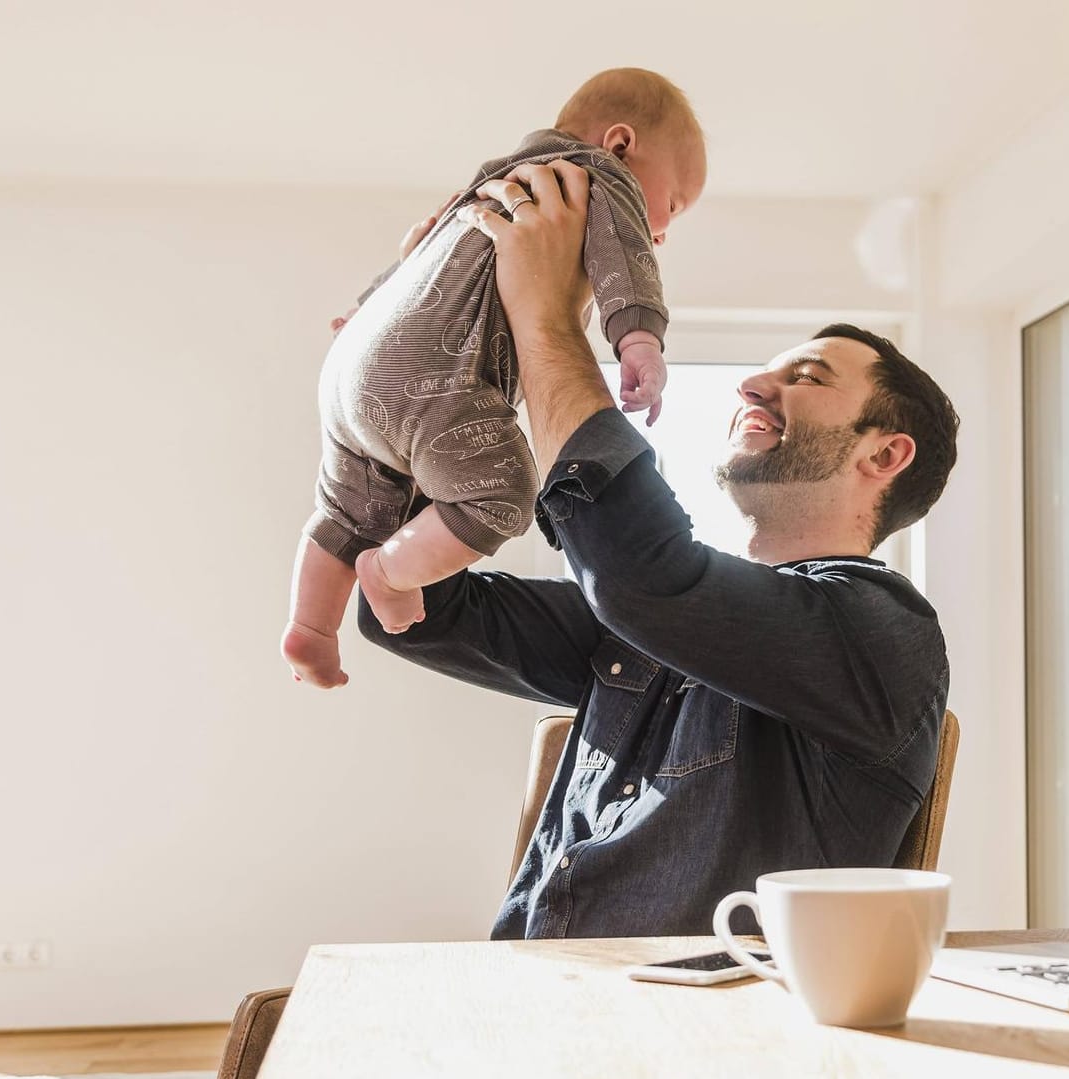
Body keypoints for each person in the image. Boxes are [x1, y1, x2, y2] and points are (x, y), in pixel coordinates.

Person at [359, 162, 961, 938]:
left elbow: (640, 573)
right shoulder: (653, 625)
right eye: (766, 370)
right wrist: (432, 353)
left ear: (884, 456)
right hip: (529, 1008)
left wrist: (545, 320)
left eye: (806, 377)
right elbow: (420, 610)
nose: (751, 385)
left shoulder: (883, 632)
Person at [282, 68, 708, 689]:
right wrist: (639, 339)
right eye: (671, 205)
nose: (663, 230)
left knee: (347, 510)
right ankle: (389, 573)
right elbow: (627, 261)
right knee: (500, 494)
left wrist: (365, 309)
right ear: (619, 145)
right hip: (432, 376)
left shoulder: (492, 183)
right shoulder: (596, 175)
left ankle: (310, 626)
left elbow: (421, 258)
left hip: (354, 368)